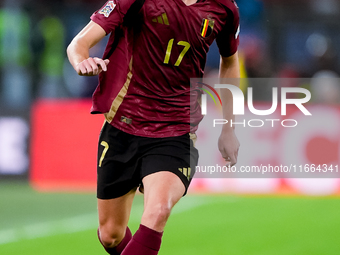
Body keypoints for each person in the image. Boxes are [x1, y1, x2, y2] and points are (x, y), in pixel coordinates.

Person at [67, 0, 240, 254]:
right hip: (123, 125)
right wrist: (81, 61)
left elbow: (230, 61)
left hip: (176, 130)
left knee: (158, 212)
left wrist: (229, 128)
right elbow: (78, 43)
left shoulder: (224, 8)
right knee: (111, 235)